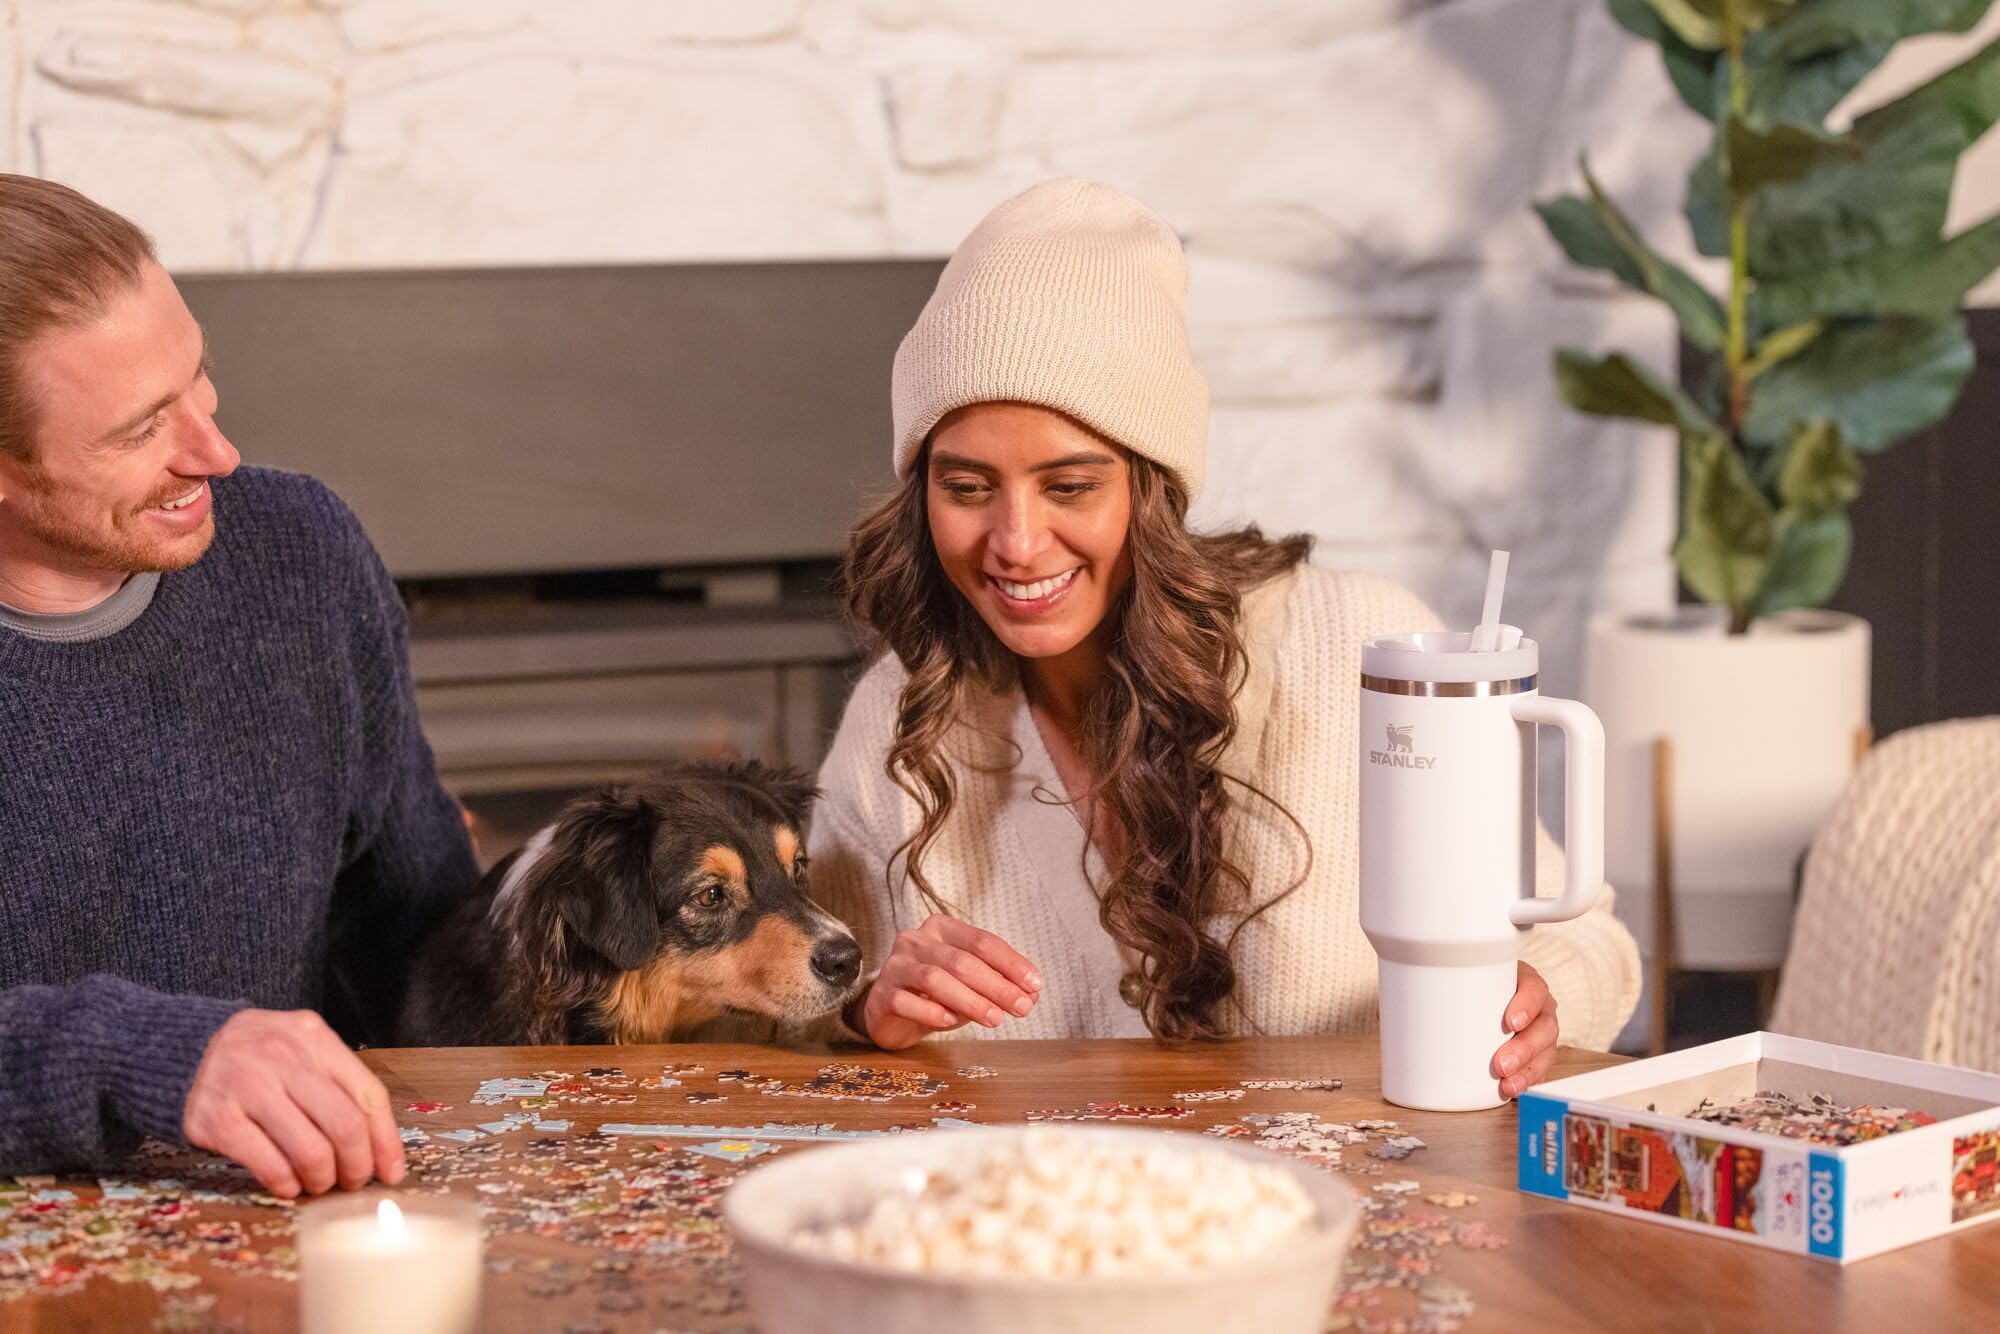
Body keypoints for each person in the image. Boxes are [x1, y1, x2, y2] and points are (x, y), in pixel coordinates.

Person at [808, 178, 1640, 1093]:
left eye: (1072, 487)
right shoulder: (897, 719)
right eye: (966, 489)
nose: (1015, 542)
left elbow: (1583, 938)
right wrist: (867, 1015)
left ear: (1150, 489)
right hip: (1047, 1225)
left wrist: (1539, 1003)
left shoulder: (1358, 645)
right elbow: (790, 1021)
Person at [0, 175, 480, 1195]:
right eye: (139, 430)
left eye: (199, 376)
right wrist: (150, 1056)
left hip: (271, 1228)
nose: (214, 452)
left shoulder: (298, 549)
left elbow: (416, 926)